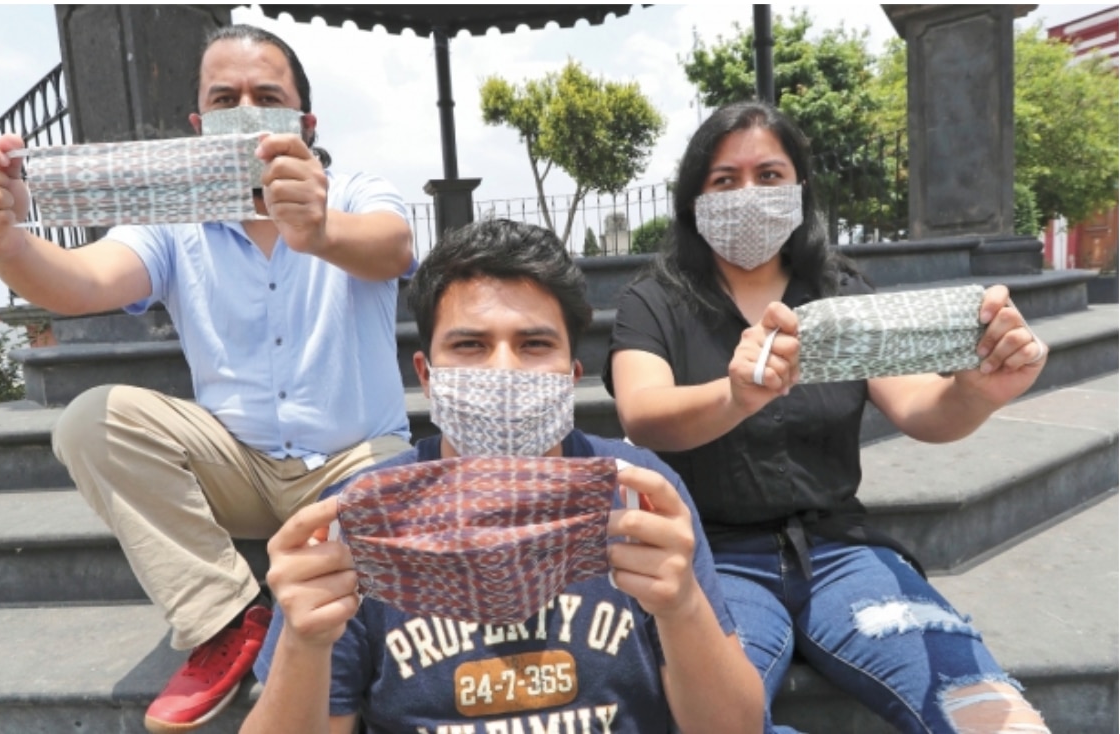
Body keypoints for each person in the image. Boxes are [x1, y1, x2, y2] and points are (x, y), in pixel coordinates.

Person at [0, 24, 415, 734]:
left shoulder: (357, 191)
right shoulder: (173, 219)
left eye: (266, 96)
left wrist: (317, 231)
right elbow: (84, 280)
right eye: (224, 99)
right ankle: (222, 616)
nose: (243, 110)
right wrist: (1, 241)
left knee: (387, 491)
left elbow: (392, 247)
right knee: (92, 418)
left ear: (305, 122)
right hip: (239, 466)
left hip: (353, 461)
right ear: (197, 124)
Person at [604, 100, 1052, 733]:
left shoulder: (838, 292)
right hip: (714, 559)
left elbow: (921, 407)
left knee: (987, 711)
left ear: (799, 189)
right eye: (724, 180)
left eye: (769, 175)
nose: (749, 193)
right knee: (697, 720)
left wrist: (980, 390)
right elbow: (645, 415)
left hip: (843, 554)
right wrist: (735, 396)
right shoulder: (652, 303)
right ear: (694, 198)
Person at [241, 218, 765, 734]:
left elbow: (736, 728)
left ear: (572, 374)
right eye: (470, 345)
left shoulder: (638, 495)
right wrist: (303, 646)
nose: (504, 370)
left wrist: (682, 608)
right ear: (426, 375)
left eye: (535, 345)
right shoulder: (361, 519)